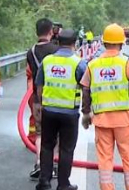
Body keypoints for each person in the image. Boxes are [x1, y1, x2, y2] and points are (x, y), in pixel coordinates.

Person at [80, 23, 129, 190]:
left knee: (104, 161)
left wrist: (86, 114)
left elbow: (86, 91)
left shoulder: (93, 65)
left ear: (104, 42)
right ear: (121, 42)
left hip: (102, 121)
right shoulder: (127, 63)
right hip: (123, 120)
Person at [35, 29, 86, 190]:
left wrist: (41, 105)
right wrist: (87, 109)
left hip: (49, 111)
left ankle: (44, 181)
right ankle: (63, 184)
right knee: (66, 149)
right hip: (69, 113)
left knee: (46, 146)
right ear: (75, 43)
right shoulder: (79, 63)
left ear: (57, 42)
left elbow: (39, 86)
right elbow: (86, 88)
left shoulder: (47, 61)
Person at [27, 18, 59, 180]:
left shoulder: (30, 51)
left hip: (37, 98)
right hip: (54, 98)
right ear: (51, 31)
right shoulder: (56, 50)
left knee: (40, 134)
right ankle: (52, 166)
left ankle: (39, 163)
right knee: (54, 135)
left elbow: (31, 74)